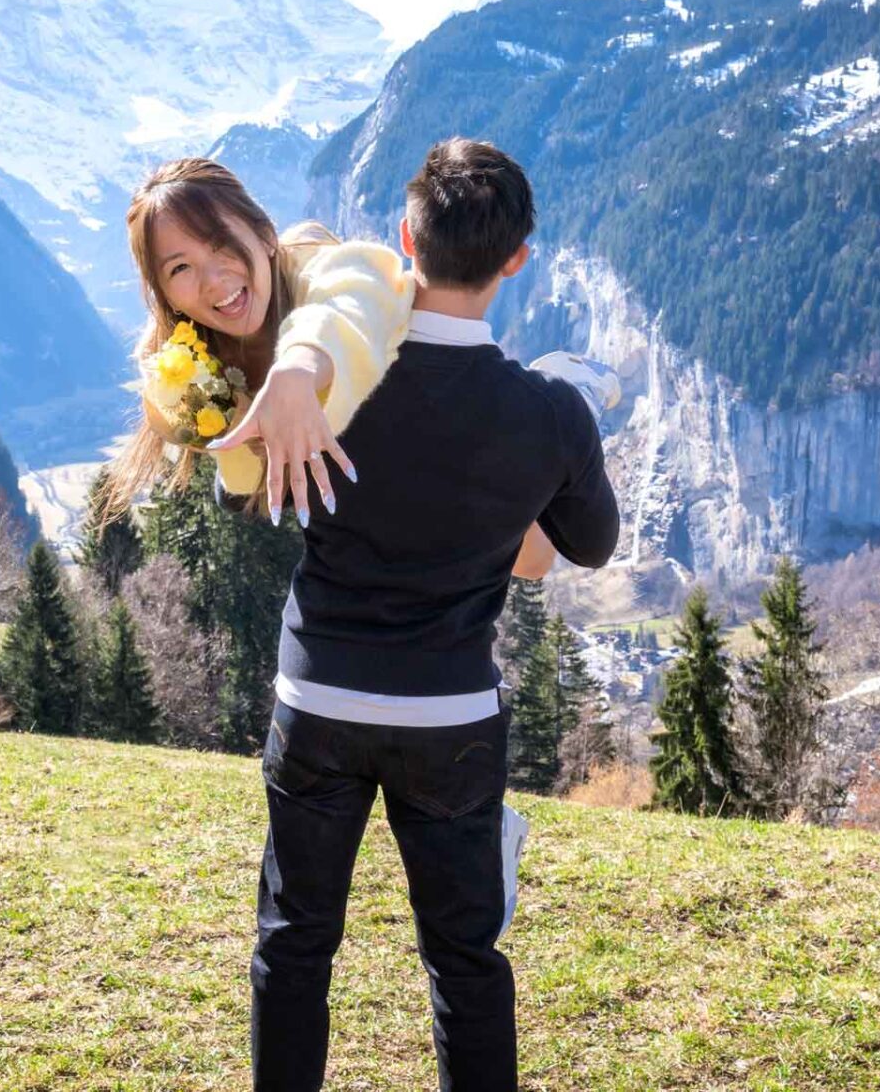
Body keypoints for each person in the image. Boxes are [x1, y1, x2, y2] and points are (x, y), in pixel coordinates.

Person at [213, 138, 620, 1091]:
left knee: (296, 943)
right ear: (517, 259)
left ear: (405, 237)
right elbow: (587, 545)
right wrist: (538, 466)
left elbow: (251, 492)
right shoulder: (550, 412)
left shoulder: (337, 380)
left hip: (317, 701)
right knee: (465, 961)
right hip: (451, 721)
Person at [95, 157, 417, 526]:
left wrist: (299, 368)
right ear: (164, 295)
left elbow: (354, 296)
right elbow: (246, 483)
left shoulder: (316, 267)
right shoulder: (178, 365)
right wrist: (240, 426)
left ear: (265, 235)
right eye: (180, 268)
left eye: (220, 244)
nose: (213, 280)